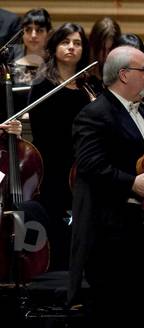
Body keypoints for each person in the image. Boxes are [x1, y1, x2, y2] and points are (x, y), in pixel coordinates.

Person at [69, 46, 144, 322]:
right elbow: (90, 166)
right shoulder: (94, 114)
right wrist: (131, 183)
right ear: (123, 75)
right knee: (118, 312)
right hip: (113, 235)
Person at [26, 23, 92, 269]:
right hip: (54, 165)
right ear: (54, 47)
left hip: (84, 165)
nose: (71, 47)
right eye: (65, 42)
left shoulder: (89, 85)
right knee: (57, 219)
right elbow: (42, 131)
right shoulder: (43, 85)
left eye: (77, 43)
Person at [10, 8, 52, 84]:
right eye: (28, 30)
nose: (33, 35)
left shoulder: (55, 61)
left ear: (48, 34)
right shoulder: (10, 56)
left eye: (39, 30)